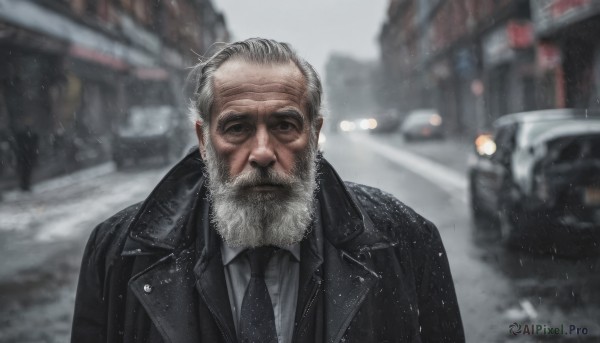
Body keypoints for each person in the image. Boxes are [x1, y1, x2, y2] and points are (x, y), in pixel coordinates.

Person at [71, 38, 464, 343]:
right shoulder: (117, 254)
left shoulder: (406, 242)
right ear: (204, 141)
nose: (261, 152)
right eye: (237, 127)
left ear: (314, 136)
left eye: (284, 126)